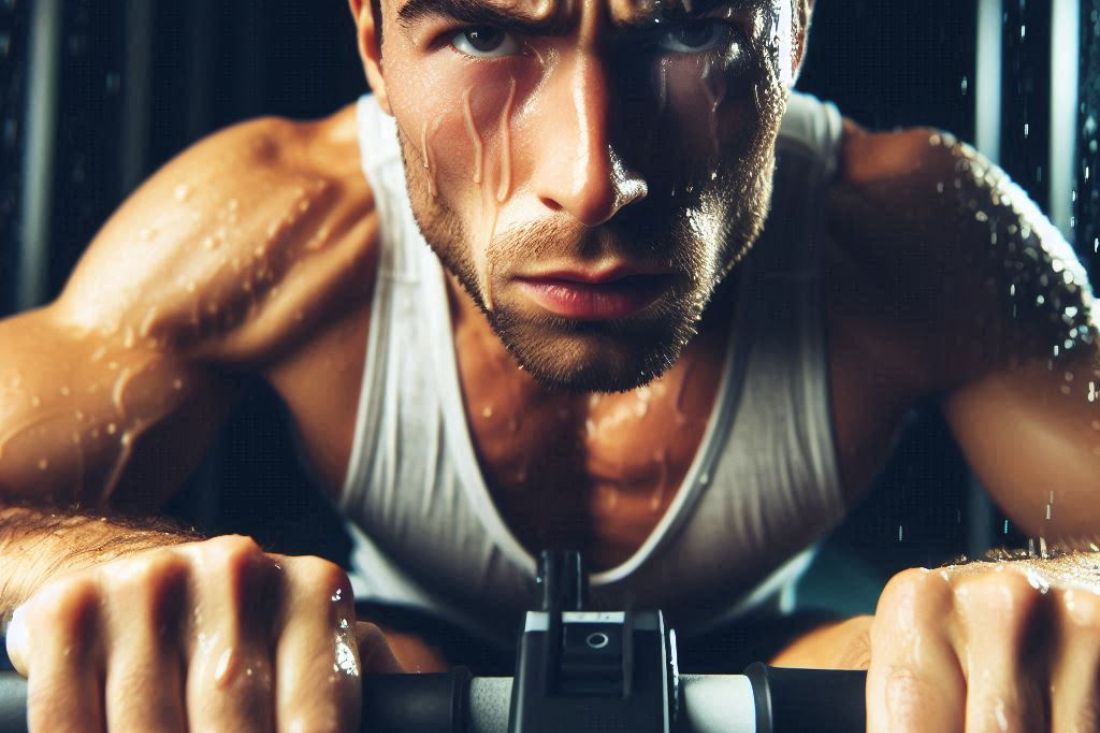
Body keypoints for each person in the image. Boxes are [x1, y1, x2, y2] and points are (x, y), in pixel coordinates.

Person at [1, 0, 1098, 729]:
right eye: (482, 35)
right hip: (393, 649)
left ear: (791, 32)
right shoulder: (275, 226)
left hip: (774, 640)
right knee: (348, 673)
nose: (591, 178)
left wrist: (1065, 596)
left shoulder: (912, 228)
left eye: (690, 30)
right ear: (375, 44)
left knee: (908, 667)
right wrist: (83, 569)